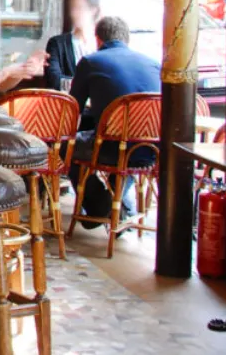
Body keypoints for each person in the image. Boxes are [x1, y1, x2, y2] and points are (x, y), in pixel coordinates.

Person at [68, 15, 161, 226]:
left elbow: (73, 109)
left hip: (112, 148)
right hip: (151, 150)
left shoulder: (91, 62)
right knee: (122, 151)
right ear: (127, 39)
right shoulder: (153, 63)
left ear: (98, 39)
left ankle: (100, 207)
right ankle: (119, 206)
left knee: (67, 147)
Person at [44, 0, 101, 91]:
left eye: (79, 8)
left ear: (93, 10)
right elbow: (54, 79)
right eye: (72, 8)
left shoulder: (102, 42)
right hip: (68, 100)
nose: (73, 14)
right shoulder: (57, 43)